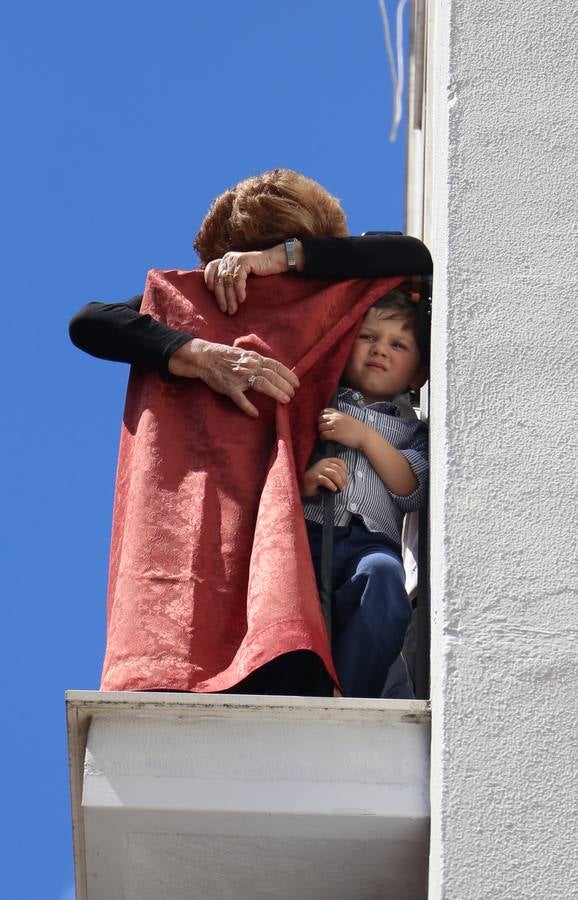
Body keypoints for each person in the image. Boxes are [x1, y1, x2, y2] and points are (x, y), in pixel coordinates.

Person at [69, 168, 433, 696]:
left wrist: (281, 260)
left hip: (330, 527)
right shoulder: (205, 305)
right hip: (237, 514)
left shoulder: (335, 298)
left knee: (358, 592)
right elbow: (89, 321)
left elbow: (412, 256)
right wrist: (198, 352)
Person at [300, 287, 429, 697]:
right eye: (368, 336)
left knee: (384, 577)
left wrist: (363, 436)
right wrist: (307, 479)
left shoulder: (414, 431)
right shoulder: (317, 403)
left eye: (398, 344)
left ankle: (349, 691)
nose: (380, 350)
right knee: (292, 595)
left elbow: (411, 488)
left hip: (369, 542)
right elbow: (280, 464)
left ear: (418, 374)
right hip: (311, 533)